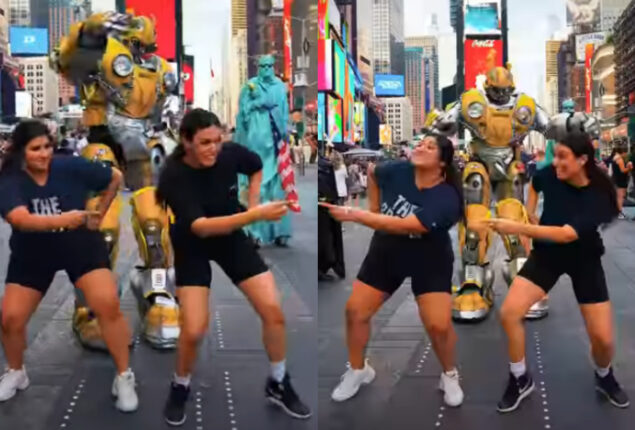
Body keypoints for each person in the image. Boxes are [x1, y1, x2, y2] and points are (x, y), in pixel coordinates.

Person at [156, 109, 311, 426]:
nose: (213, 148)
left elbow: (255, 167)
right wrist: (254, 216)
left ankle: (278, 381)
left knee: (273, 310)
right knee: (195, 327)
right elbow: (201, 228)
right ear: (186, 142)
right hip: (193, 243)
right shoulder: (175, 176)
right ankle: (180, 384)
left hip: (231, 238)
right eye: (204, 143)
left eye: (217, 140)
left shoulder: (229, 153)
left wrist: (252, 202)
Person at [487, 124, 628, 413]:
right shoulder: (550, 173)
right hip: (548, 256)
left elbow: (566, 234)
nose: (556, 163)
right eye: (556, 156)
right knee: (510, 312)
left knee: (602, 339)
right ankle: (519, 378)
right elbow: (535, 187)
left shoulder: (599, 195)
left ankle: (604, 375)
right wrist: (531, 214)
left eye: (563, 157)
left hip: (584, 258)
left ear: (582, 161)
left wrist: (517, 226)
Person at [0, 120, 138, 411]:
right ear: (21, 152)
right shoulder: (10, 179)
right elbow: (20, 219)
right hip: (33, 252)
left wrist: (99, 212)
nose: (43, 154)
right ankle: (17, 372)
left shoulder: (69, 166)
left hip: (80, 246)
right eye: (35, 149)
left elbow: (114, 176)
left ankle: (124, 376)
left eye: (47, 146)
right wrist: (68, 218)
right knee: (11, 318)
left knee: (106, 304)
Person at [322, 134, 464, 407]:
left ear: (442, 163)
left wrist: (360, 215)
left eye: (430, 147)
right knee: (355, 312)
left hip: (429, 256)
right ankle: (358, 369)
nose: (420, 146)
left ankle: (449, 374)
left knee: (439, 325)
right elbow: (373, 173)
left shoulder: (447, 198)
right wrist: (375, 208)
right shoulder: (397, 169)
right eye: (420, 143)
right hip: (387, 251)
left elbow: (408, 226)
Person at [611, 141, 632, 218]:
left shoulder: (615, 157)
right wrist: (629, 167)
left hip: (617, 179)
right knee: (621, 196)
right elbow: (623, 170)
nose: (626, 155)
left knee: (619, 196)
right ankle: (619, 213)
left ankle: (617, 212)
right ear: (623, 152)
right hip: (621, 180)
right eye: (626, 153)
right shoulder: (619, 159)